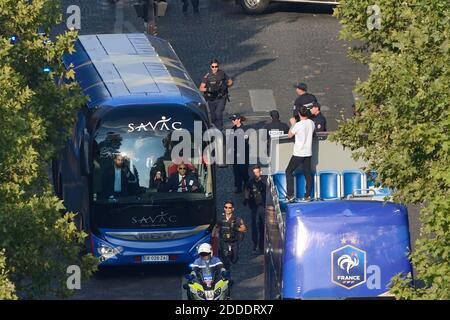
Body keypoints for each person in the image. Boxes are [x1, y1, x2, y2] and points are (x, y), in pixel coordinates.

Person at [286, 106, 315, 202]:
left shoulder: (298, 125)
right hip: (308, 152)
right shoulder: (311, 123)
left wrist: (293, 124)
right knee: (307, 173)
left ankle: (290, 194)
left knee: (288, 171)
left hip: (299, 152)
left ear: (299, 114)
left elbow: (290, 135)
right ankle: (307, 195)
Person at [199, 59, 233, 131]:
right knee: (213, 116)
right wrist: (209, 89)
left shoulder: (222, 73)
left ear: (218, 66)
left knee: (218, 113)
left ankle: (219, 129)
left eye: (216, 66)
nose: (214, 68)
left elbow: (230, 82)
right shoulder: (207, 76)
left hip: (221, 97)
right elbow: (201, 88)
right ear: (210, 67)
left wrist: (226, 86)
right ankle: (214, 129)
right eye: (213, 66)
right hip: (211, 99)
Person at [215, 200, 247, 270]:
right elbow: (216, 228)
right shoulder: (220, 219)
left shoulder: (237, 219)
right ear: (224, 208)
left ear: (232, 209)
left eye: (229, 207)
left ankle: (233, 258)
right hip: (224, 242)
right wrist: (216, 237)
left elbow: (244, 229)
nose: (227, 209)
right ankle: (226, 271)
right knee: (225, 259)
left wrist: (236, 228)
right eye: (226, 207)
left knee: (234, 259)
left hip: (234, 241)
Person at [244, 165, 267, 254]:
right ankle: (255, 243)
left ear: (260, 172)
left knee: (262, 226)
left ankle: (262, 245)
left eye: (257, 172)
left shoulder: (264, 181)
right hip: (254, 207)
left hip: (263, 206)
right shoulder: (250, 182)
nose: (255, 174)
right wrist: (246, 199)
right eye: (254, 173)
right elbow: (247, 190)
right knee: (254, 225)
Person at [229, 114, 249, 193]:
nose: (232, 121)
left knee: (243, 170)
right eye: (232, 119)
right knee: (236, 171)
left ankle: (246, 184)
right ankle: (239, 187)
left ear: (239, 120)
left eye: (234, 119)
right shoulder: (232, 129)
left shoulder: (244, 129)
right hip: (235, 154)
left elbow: (245, 142)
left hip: (243, 154)